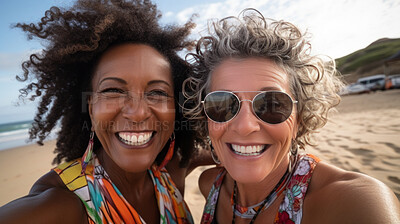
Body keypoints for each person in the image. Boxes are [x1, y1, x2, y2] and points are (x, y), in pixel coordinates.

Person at [0, 0, 212, 223]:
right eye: (113, 90)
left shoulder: (171, 169)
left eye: (157, 93)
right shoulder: (63, 204)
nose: (138, 113)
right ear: (91, 107)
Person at [183, 9, 400, 224]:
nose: (245, 126)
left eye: (272, 104)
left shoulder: (353, 202)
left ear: (299, 118)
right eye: (222, 105)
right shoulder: (210, 184)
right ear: (205, 117)